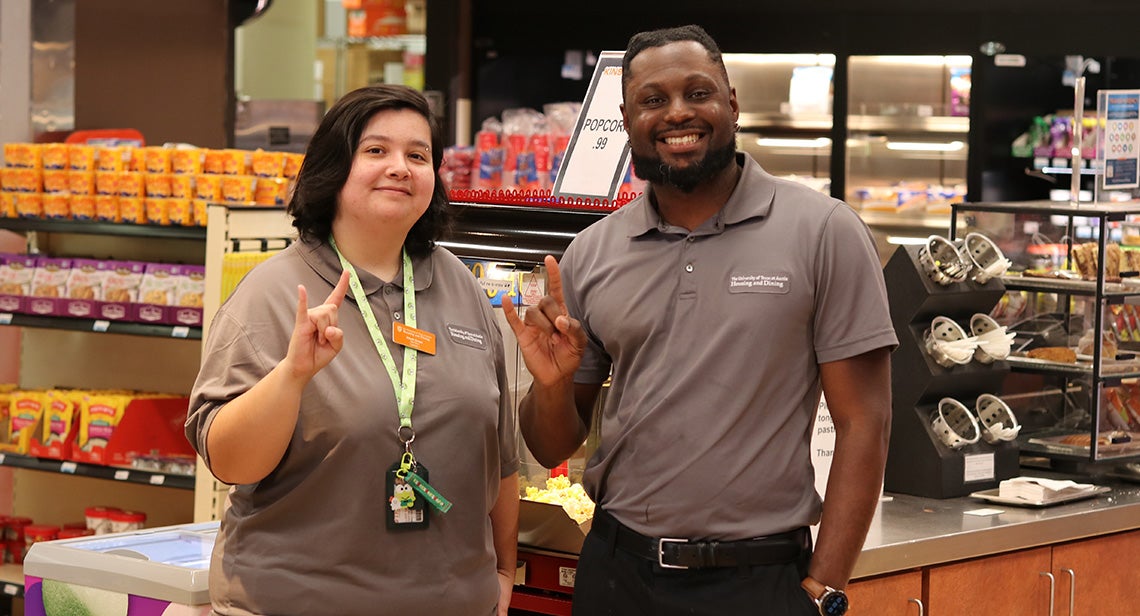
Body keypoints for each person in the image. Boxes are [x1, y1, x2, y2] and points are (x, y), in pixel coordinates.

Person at [503, 25, 897, 616]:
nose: (676, 113)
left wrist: (825, 588)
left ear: (731, 103)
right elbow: (551, 441)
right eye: (653, 100)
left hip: (758, 581)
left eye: (698, 93)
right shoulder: (592, 252)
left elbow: (866, 421)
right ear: (628, 117)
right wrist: (552, 386)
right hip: (617, 574)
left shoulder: (823, 231)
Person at [187, 84, 519, 616]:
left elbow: (497, 453)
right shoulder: (273, 293)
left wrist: (502, 572)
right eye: (376, 151)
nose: (400, 168)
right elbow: (228, 461)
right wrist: (290, 377)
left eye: (418, 155)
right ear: (334, 168)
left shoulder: (460, 286)